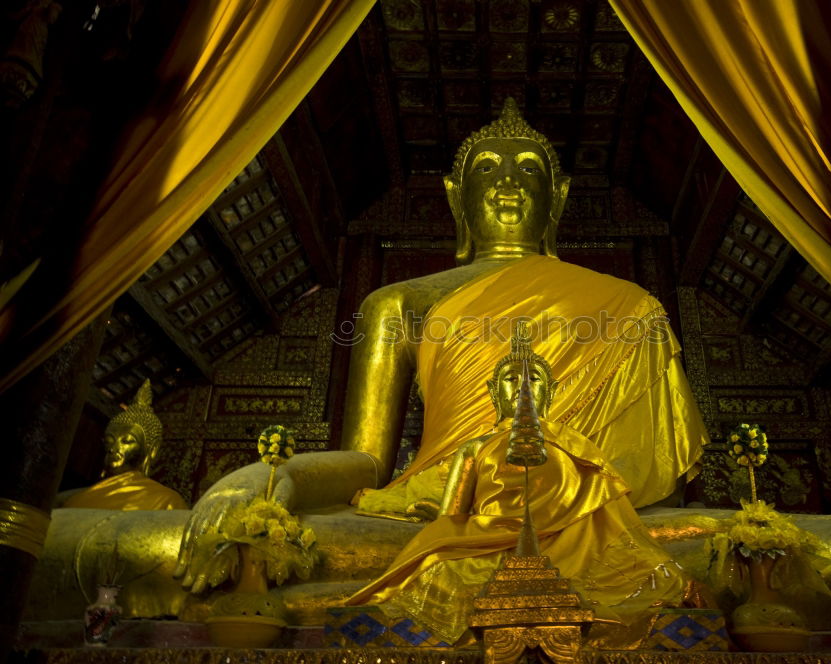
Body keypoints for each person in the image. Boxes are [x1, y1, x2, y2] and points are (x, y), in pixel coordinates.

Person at [173, 98, 710, 593]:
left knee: (735, 544)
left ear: (559, 197)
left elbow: (663, 488)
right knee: (195, 538)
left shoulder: (632, 307)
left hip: (597, 516)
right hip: (444, 510)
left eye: (528, 168)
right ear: (456, 197)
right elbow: (367, 461)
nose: (508, 182)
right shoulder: (399, 304)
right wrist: (273, 477)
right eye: (486, 169)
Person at [342, 324, 698, 646]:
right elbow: (454, 514)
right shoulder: (475, 447)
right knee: (437, 566)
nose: (524, 385)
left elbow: (608, 514)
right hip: (489, 541)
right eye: (512, 378)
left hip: (571, 546)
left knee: (652, 575)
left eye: (536, 379)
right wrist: (434, 513)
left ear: (551, 392)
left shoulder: (578, 447)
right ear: (494, 391)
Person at [60, 379, 187, 511]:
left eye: (127, 441)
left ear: (152, 449)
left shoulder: (166, 501)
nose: (113, 448)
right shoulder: (72, 499)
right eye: (109, 441)